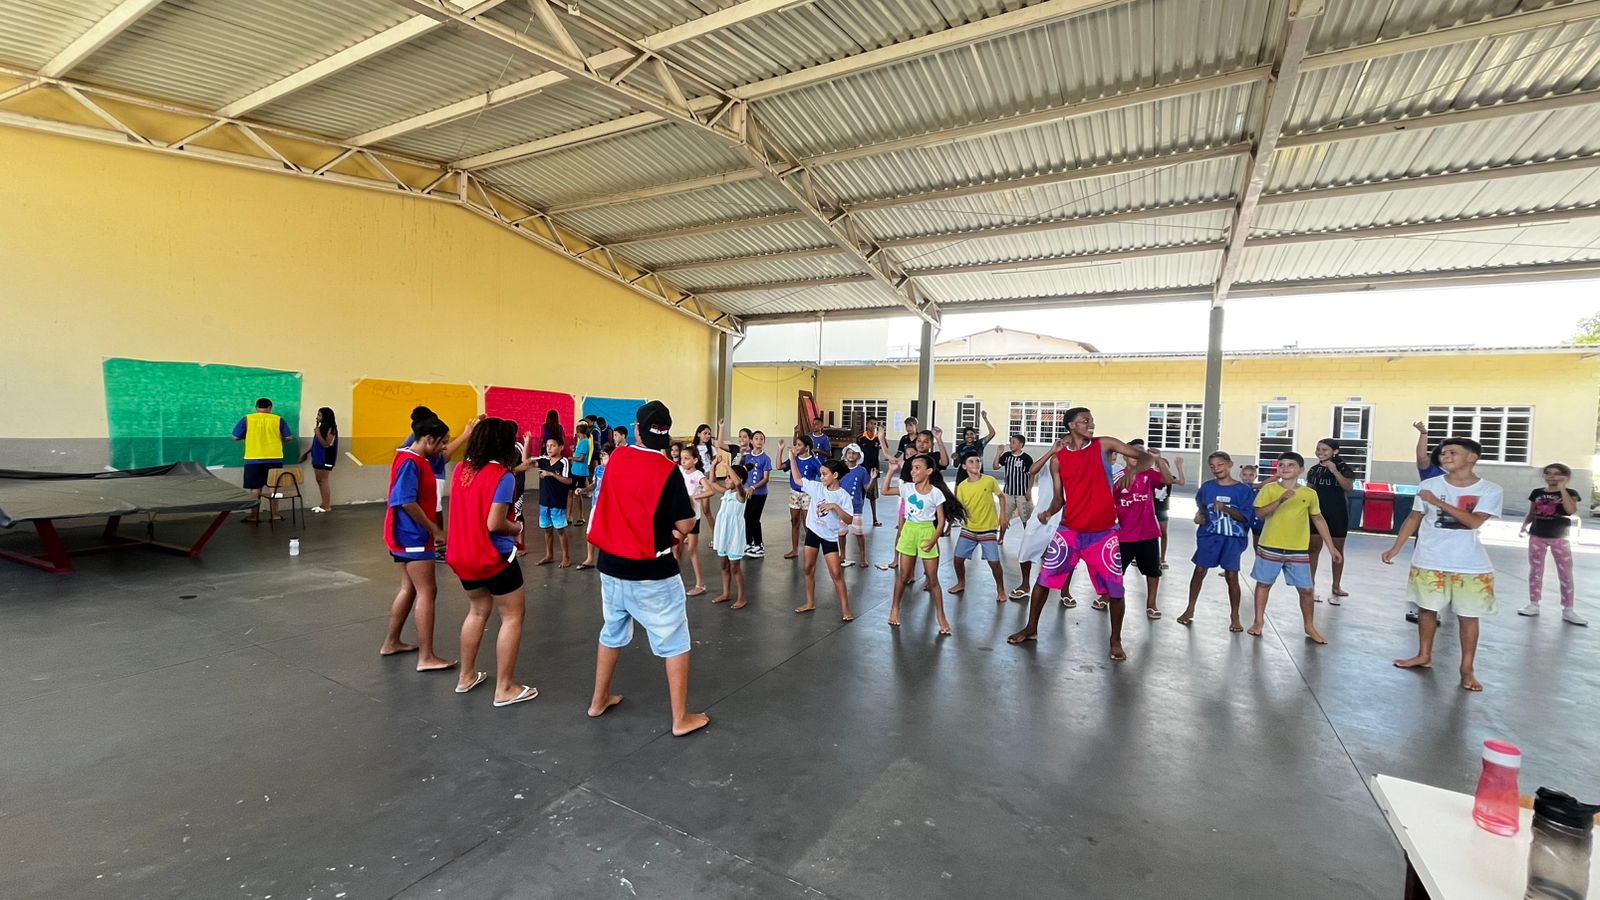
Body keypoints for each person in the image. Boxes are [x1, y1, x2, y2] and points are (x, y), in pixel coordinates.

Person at [587, 401, 708, 736]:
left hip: (611, 566)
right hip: (652, 572)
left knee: (611, 632)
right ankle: (680, 719)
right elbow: (686, 520)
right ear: (667, 435)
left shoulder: (617, 458)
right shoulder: (668, 471)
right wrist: (672, 532)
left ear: (637, 430)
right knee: (675, 640)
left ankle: (598, 701)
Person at [1008, 409, 1146, 661]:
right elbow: (1060, 498)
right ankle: (1031, 629)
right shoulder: (1058, 459)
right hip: (1070, 531)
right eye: (1086, 421)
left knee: (1115, 590)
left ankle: (1115, 640)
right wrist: (1049, 512)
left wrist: (1133, 473)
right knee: (1043, 580)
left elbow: (1144, 457)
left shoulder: (1104, 444)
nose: (1091, 424)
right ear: (1071, 425)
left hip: (1103, 534)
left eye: (1092, 420)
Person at [1384, 438, 1504, 692]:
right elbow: (1414, 518)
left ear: (1472, 458)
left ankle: (1467, 668)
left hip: (1470, 565)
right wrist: (1396, 547)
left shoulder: (1490, 490)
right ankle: (1424, 655)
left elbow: (1473, 522)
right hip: (1429, 559)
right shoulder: (1429, 484)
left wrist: (1437, 502)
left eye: (1452, 452)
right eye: (1443, 453)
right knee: (1426, 610)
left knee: (1468, 617)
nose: (1445, 456)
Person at [445, 418, 537, 707]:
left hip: (463, 556)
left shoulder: (461, 470)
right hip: (494, 556)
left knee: (477, 611)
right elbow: (496, 523)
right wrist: (518, 528)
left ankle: (466, 676)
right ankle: (505, 688)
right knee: (511, 616)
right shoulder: (503, 476)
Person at [379, 417, 456, 672]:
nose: (445, 448)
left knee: (409, 588)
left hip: (405, 536)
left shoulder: (414, 459)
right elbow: (405, 501)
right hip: (412, 538)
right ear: (428, 439)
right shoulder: (411, 463)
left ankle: (391, 642)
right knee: (427, 591)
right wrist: (433, 528)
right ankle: (427, 657)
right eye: (443, 442)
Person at [1249, 452, 1339, 645]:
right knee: (1264, 584)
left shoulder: (1309, 493)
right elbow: (1260, 513)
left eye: (1290, 465)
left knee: (1306, 589)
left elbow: (1318, 518)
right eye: (1281, 465)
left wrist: (1331, 548)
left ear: (1301, 470)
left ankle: (1309, 626)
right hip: (1270, 545)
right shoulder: (1269, 489)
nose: (1285, 468)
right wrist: (1280, 500)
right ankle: (1258, 621)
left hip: (1297, 549)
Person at [883, 455, 967, 635]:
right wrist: (891, 471)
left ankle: (941, 615)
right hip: (909, 532)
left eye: (918, 468)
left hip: (927, 531)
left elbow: (942, 522)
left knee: (932, 578)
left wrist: (932, 540)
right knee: (903, 576)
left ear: (929, 471)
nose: (913, 471)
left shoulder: (936, 493)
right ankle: (895, 608)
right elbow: (884, 491)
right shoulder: (907, 488)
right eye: (912, 467)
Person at [1178, 452, 1253, 630]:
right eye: (1212, 466)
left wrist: (1226, 509)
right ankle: (1190, 609)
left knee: (1232, 575)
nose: (1216, 469)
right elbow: (1201, 507)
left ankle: (1235, 616)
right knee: (1199, 570)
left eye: (1220, 465)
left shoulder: (1243, 491)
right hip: (1209, 536)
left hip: (1232, 539)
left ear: (1229, 464)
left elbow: (1245, 517)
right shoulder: (1207, 487)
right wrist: (1199, 516)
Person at [786, 448, 856, 621]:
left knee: (836, 573)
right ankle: (810, 602)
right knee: (808, 569)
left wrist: (835, 507)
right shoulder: (817, 487)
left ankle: (846, 609)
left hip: (829, 537)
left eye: (825, 474)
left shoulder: (843, 496)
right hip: (813, 533)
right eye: (821, 474)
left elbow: (848, 520)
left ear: (836, 475)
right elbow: (797, 479)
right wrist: (792, 459)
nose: (822, 477)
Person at [1519, 462, 1586, 625]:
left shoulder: (1571, 493)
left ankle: (1568, 609)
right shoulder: (1537, 492)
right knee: (1536, 570)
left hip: (1559, 537)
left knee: (1565, 573)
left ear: (1565, 476)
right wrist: (1524, 525)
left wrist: (1562, 488)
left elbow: (1570, 510)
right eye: (1548, 473)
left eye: (1556, 474)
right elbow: (1532, 512)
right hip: (1537, 535)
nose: (1552, 477)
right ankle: (1534, 604)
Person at [951, 453, 1009, 604]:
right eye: (971, 461)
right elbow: (960, 507)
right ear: (964, 466)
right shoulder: (962, 486)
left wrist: (1003, 515)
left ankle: (1001, 589)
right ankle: (961, 582)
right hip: (969, 529)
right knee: (957, 559)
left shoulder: (989, 480)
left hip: (988, 529)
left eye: (978, 460)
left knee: (994, 563)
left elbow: (1001, 497)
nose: (976, 463)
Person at [1116, 440, 1164, 619]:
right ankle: (1109, 596)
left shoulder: (1149, 474)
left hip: (1148, 533)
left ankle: (1151, 603)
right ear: (1124, 456)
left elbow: (1166, 480)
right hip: (1124, 534)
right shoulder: (1118, 477)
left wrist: (1158, 460)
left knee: (1152, 571)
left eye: (1140, 454)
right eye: (1131, 454)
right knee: (1116, 570)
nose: (1135, 457)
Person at [1306, 439, 1357, 602]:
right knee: (1313, 549)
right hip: (1316, 513)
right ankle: (1310, 585)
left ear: (1335, 451)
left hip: (1337, 513)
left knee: (1337, 550)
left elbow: (1348, 487)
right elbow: (1310, 490)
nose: (1320, 452)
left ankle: (1336, 585)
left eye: (1324, 449)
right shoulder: (1314, 470)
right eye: (1318, 449)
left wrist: (1335, 471)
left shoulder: (1343, 468)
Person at [232, 397, 293, 523]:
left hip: (253, 459)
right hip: (274, 459)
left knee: (255, 489)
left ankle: (254, 516)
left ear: (256, 407)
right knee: (273, 488)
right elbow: (289, 437)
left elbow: (235, 436)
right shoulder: (278, 419)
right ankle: (275, 515)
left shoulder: (248, 419)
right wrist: (280, 440)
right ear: (270, 408)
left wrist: (247, 437)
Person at [706, 455, 750, 608]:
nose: (726, 480)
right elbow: (711, 483)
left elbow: (737, 482)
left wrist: (727, 465)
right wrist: (713, 465)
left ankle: (742, 597)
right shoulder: (726, 494)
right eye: (726, 477)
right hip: (723, 532)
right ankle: (726, 593)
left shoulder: (741, 495)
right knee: (724, 565)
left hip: (734, 534)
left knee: (735, 567)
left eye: (728, 478)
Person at [779, 433, 822, 560]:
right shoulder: (795, 459)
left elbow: (823, 475)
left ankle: (811, 549)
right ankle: (795, 550)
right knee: (794, 521)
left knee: (807, 523)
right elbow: (779, 466)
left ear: (807, 447)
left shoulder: (814, 461)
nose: (796, 447)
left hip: (807, 494)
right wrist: (780, 449)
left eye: (799, 445)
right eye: (796, 444)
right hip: (794, 493)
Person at [534, 436, 575, 568]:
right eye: (547, 446)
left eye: (553, 445)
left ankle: (566, 557)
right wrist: (528, 441)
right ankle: (549, 555)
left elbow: (569, 481)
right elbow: (526, 461)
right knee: (547, 530)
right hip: (544, 501)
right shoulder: (544, 460)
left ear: (561, 447)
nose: (549, 448)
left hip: (557, 502)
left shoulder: (564, 462)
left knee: (560, 530)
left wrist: (551, 474)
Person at [677, 446, 708, 597]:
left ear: (695, 460)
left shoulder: (698, 474)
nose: (683, 461)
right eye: (682, 458)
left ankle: (700, 584)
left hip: (693, 517)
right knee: (676, 548)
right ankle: (674, 581)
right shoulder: (680, 471)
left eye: (687, 458)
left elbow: (710, 490)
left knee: (692, 550)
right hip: (679, 516)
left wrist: (695, 497)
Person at [837, 444, 874, 568]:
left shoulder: (862, 471)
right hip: (841, 507)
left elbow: (866, 488)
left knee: (859, 533)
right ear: (845, 455)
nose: (851, 455)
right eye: (849, 453)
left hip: (856, 507)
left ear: (858, 456)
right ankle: (842, 554)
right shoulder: (841, 469)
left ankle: (863, 556)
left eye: (854, 453)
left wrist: (872, 479)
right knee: (841, 533)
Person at [1148, 448, 1184, 568]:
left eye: (1166, 467)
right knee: (1147, 533)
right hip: (1150, 509)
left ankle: (1162, 558)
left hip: (1162, 509)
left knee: (1163, 533)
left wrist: (1179, 467)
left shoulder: (1169, 478)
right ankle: (1140, 556)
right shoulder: (1153, 477)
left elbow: (1182, 482)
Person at [576, 448, 608, 572]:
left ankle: (609, 558)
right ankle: (590, 558)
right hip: (596, 504)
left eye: (605, 456)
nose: (602, 459)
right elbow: (594, 485)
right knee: (590, 531)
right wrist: (583, 490)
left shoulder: (616, 470)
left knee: (608, 533)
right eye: (601, 457)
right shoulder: (598, 469)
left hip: (609, 507)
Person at [742, 431, 773, 558]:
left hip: (760, 493)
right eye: (756, 438)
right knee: (746, 516)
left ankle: (759, 545)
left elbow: (766, 479)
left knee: (754, 518)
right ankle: (749, 542)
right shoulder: (747, 456)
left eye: (761, 439)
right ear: (751, 441)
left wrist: (753, 487)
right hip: (748, 492)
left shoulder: (766, 458)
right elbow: (740, 469)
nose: (759, 441)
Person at [302, 406, 338, 513]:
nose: (317, 417)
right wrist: (308, 453)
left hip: (325, 458)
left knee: (323, 480)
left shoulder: (331, 428)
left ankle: (326, 505)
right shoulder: (322, 427)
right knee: (319, 480)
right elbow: (317, 444)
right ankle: (323, 503)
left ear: (325, 417)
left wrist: (317, 434)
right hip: (317, 457)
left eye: (319, 415)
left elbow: (326, 444)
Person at [855, 417, 884, 527]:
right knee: (860, 496)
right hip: (862, 470)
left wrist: (882, 435)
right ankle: (858, 518)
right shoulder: (860, 438)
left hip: (873, 470)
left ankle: (874, 519)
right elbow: (856, 454)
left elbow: (884, 447)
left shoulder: (878, 438)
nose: (873, 426)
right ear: (867, 424)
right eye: (871, 423)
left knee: (873, 497)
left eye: (875, 424)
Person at [570, 422, 594, 526]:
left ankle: (580, 516)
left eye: (577, 433)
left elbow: (581, 458)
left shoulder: (584, 442)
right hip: (576, 470)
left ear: (579, 432)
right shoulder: (582, 442)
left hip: (579, 472)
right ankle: (570, 516)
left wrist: (571, 458)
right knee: (572, 493)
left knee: (577, 493)